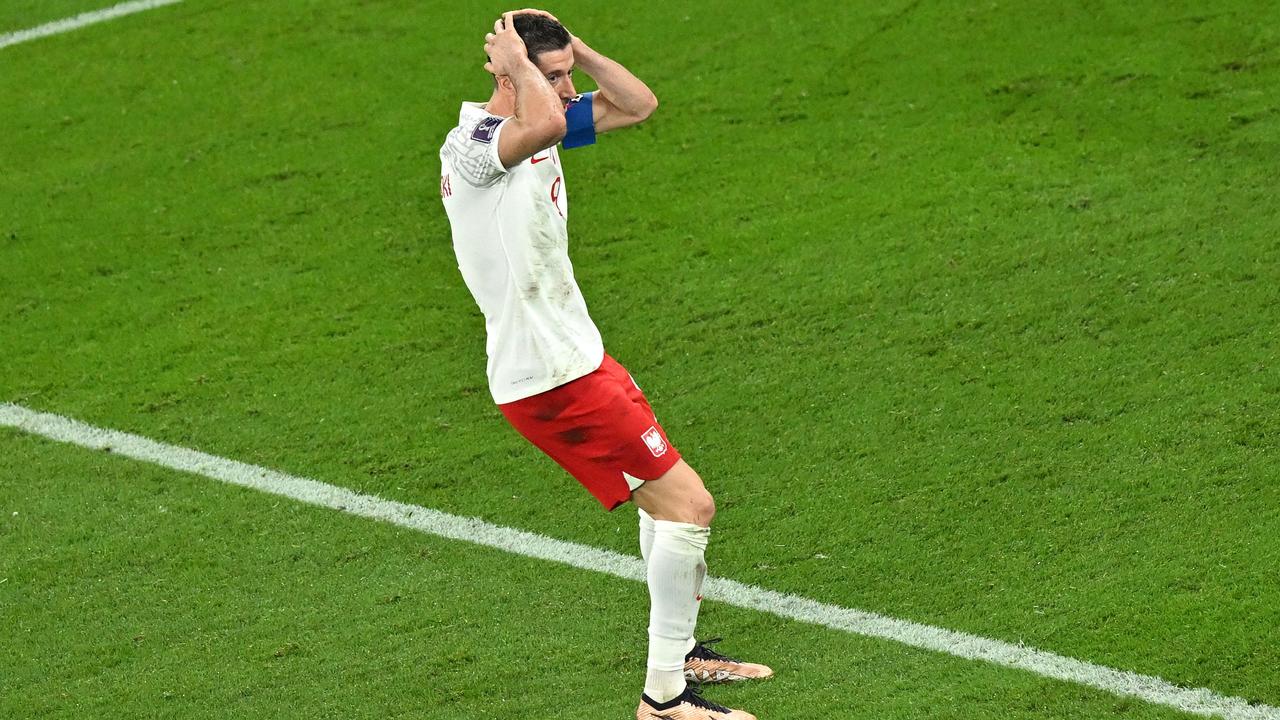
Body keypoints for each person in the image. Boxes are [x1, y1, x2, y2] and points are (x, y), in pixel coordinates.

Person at [439, 10, 772, 719]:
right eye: (552, 76)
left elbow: (637, 104)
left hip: (578, 356)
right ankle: (664, 701)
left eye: (566, 76)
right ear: (504, 73)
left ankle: (678, 655)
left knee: (663, 507)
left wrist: (575, 51)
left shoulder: (544, 109)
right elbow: (547, 127)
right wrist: (528, 72)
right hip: (552, 378)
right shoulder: (476, 144)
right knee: (689, 506)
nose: (567, 89)